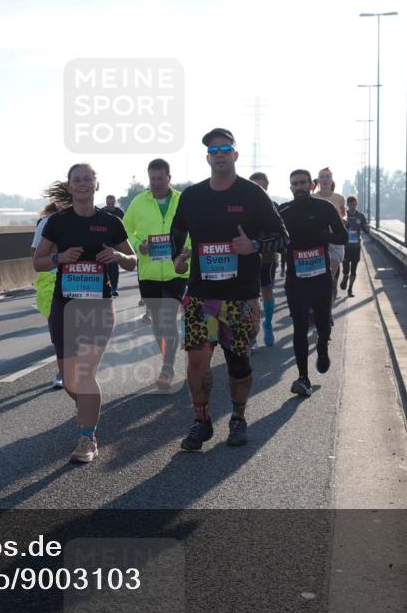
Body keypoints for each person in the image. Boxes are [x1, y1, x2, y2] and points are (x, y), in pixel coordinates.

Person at [171, 129, 286, 451]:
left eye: (225, 148)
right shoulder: (192, 196)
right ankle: (201, 421)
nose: (219, 154)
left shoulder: (252, 195)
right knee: (197, 360)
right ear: (207, 157)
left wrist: (254, 246)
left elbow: (283, 237)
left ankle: (238, 417)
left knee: (238, 363)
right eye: (213, 150)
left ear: (235, 155)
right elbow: (177, 228)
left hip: (240, 296)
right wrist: (176, 254)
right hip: (200, 295)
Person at [33, 164, 136, 464]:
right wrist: (59, 258)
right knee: (70, 381)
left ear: (96, 184)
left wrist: (117, 256)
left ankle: (86, 438)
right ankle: (89, 411)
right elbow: (38, 262)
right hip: (64, 306)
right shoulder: (57, 223)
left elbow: (132, 261)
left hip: (99, 305)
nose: (82, 184)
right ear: (69, 186)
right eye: (76, 180)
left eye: (87, 179)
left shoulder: (109, 222)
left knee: (85, 374)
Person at [278, 169, 348, 397]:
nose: (299, 186)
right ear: (290, 188)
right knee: (299, 326)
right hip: (296, 280)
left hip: (320, 278)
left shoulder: (325, 208)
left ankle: (323, 347)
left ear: (312, 185)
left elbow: (343, 237)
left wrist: (324, 236)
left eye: (303, 183)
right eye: (295, 183)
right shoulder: (284, 211)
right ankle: (303, 377)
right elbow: (272, 237)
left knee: (322, 323)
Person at [121, 158, 188, 389]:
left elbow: (193, 227)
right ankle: (166, 359)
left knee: (167, 319)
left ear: (169, 177)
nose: (156, 183)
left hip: (176, 270)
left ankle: (167, 368)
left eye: (161, 178)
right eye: (152, 179)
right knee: (158, 325)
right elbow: (125, 227)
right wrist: (138, 244)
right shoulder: (139, 202)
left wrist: (185, 251)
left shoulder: (182, 200)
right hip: (148, 271)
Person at [32, 193, 66, 390]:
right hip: (51, 279)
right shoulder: (46, 223)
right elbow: (35, 257)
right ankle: (63, 371)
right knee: (59, 331)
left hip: (82, 280)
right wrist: (58, 254)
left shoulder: (88, 220)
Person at [248, 172, 279, 348]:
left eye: (261, 186)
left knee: (266, 291)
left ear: (267, 187)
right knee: (250, 297)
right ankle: (252, 333)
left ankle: (267, 325)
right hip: (247, 259)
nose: (258, 189)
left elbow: (280, 234)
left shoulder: (273, 206)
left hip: (268, 258)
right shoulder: (241, 206)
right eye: (254, 185)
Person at [313, 168, 347, 302]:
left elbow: (343, 215)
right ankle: (319, 307)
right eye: (322, 177)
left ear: (331, 180)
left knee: (329, 277)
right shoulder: (313, 197)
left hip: (335, 241)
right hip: (318, 240)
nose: (325, 179)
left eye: (328, 177)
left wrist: (342, 220)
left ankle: (327, 308)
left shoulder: (339, 198)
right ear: (318, 180)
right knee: (319, 279)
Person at [340, 195, 370, 297]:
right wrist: (343, 223)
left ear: (356, 204)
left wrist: (367, 228)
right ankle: (345, 277)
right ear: (347, 205)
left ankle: (350, 289)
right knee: (346, 267)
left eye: (354, 204)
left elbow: (366, 230)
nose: (352, 206)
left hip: (356, 247)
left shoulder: (360, 216)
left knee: (354, 269)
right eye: (350, 204)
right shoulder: (344, 215)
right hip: (345, 246)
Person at [103, 194, 125, 297]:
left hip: (116, 244)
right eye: (108, 203)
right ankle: (107, 286)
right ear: (106, 203)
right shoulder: (102, 212)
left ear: (115, 202)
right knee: (106, 267)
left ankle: (114, 288)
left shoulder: (119, 212)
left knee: (114, 267)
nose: (110, 205)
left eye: (112, 203)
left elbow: (125, 228)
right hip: (104, 243)